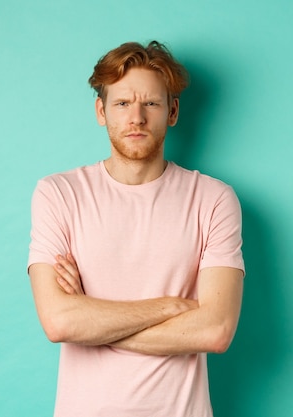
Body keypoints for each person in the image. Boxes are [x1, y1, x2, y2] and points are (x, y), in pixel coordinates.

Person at [27, 40, 244, 417]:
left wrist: (92, 320)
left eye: (151, 103)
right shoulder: (59, 194)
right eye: (123, 103)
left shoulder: (213, 199)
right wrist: (171, 307)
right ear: (101, 110)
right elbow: (59, 321)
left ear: (172, 111)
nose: (137, 118)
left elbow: (215, 331)